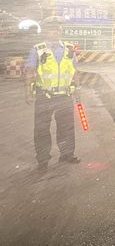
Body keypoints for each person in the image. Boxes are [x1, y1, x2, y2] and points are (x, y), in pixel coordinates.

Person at [25, 16, 80, 172]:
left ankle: (67, 154)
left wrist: (77, 89)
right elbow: (30, 71)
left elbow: (75, 70)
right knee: (42, 129)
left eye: (57, 29)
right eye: (51, 29)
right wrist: (28, 92)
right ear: (46, 32)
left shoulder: (70, 49)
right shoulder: (38, 49)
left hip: (65, 96)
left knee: (66, 127)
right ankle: (43, 159)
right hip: (44, 96)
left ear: (61, 31)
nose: (55, 32)